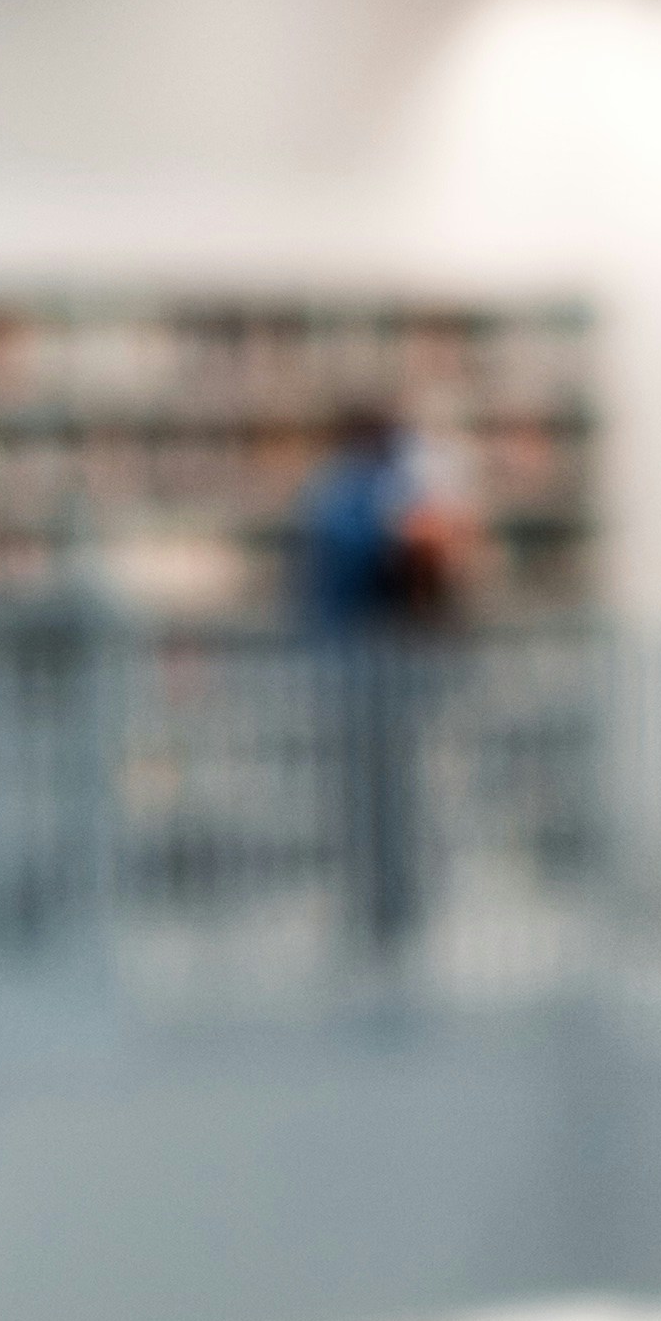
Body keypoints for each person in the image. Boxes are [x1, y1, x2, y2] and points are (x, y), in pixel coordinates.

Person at [295, 399, 466, 969]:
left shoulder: (345, 493)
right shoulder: (366, 495)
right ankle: (383, 910)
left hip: (366, 662)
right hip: (371, 661)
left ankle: (386, 909)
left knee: (381, 797)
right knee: (381, 797)